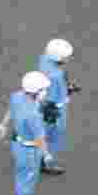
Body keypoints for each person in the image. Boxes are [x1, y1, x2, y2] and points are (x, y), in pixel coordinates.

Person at [8, 71, 51, 195]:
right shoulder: (33, 115)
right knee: (29, 177)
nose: (45, 92)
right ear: (36, 91)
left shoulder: (17, 96)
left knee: (21, 174)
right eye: (43, 90)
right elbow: (40, 138)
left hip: (17, 144)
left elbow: (11, 111)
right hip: (30, 150)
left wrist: (3, 124)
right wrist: (46, 154)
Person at [38, 39, 76, 176]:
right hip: (55, 107)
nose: (69, 59)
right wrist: (68, 90)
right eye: (67, 57)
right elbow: (53, 98)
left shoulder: (44, 60)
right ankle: (46, 163)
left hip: (44, 104)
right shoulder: (56, 76)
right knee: (55, 135)